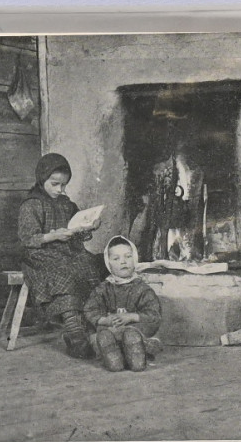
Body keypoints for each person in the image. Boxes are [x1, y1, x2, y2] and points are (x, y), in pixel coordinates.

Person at [16, 153, 103, 359]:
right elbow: (27, 239)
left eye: (64, 185)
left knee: (91, 264)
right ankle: (75, 333)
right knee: (63, 272)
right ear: (42, 179)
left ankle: (91, 327)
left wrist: (89, 226)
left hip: (67, 251)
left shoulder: (66, 204)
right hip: (39, 254)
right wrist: (53, 236)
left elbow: (77, 230)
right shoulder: (31, 204)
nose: (60, 190)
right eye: (55, 184)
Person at [82, 236, 163, 372]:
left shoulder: (142, 289)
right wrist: (105, 320)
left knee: (134, 333)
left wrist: (131, 317)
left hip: (134, 329)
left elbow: (154, 314)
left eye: (128, 256)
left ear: (135, 259)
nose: (123, 262)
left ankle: (135, 352)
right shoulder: (103, 289)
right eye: (116, 259)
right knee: (102, 335)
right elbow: (90, 309)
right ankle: (113, 356)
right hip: (111, 329)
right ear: (108, 263)